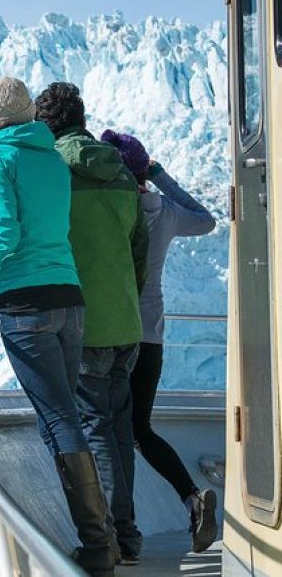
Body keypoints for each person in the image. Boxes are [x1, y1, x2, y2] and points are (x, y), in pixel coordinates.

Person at [0, 76, 114, 577]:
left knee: (59, 418)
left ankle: (100, 546)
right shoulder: (52, 157)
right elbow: (45, 233)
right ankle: (103, 537)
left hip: (27, 307)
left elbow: (5, 236)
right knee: (65, 413)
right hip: (69, 300)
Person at [34, 82, 148, 565]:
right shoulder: (120, 171)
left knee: (95, 430)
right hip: (126, 322)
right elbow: (137, 247)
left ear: (45, 124)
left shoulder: (52, 169)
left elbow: (40, 239)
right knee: (119, 429)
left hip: (85, 324)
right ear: (82, 117)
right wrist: (126, 300)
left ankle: (112, 540)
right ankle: (130, 533)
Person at [100, 129, 218, 553]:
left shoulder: (112, 207)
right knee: (139, 428)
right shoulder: (163, 210)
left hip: (115, 332)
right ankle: (190, 497)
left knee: (114, 431)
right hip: (152, 336)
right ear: (143, 169)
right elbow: (206, 220)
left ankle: (119, 529)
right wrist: (160, 175)